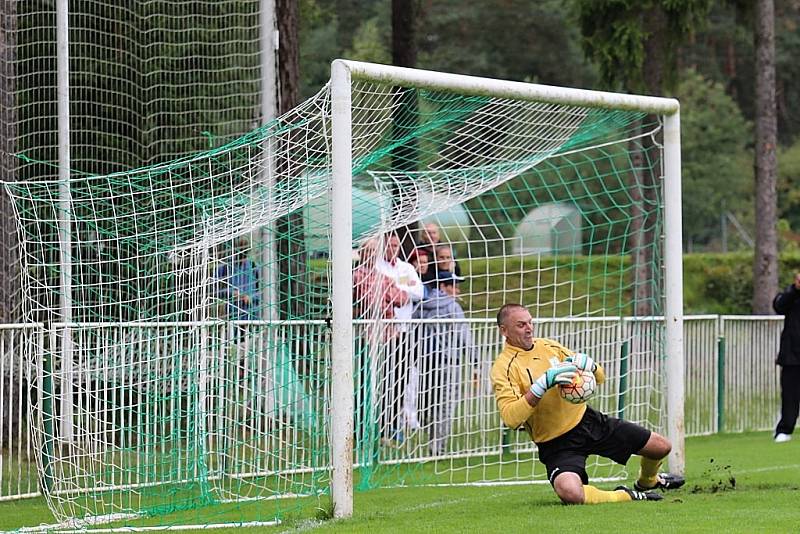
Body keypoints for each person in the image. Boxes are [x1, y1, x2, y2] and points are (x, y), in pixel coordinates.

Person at [490, 303, 685, 504]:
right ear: (504, 330)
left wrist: (591, 366)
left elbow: (599, 377)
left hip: (588, 421)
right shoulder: (503, 367)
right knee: (570, 493)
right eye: (521, 325)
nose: (529, 328)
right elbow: (511, 418)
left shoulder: (549, 346)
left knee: (661, 447)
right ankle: (627, 495)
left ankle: (648, 482)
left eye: (530, 322)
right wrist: (542, 385)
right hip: (556, 443)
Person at [413, 270, 474, 456]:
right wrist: (475, 361)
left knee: (425, 404)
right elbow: (464, 335)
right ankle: (437, 447)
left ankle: (433, 440)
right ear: (442, 286)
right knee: (445, 406)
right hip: (448, 362)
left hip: (423, 362)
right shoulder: (453, 307)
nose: (457, 290)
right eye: (453, 286)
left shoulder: (418, 306)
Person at [375, 232, 425, 444]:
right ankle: (374, 422)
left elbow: (419, 292)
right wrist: (397, 288)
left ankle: (393, 423)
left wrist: (395, 286)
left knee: (399, 379)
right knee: (379, 378)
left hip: (403, 331)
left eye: (396, 245)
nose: (393, 249)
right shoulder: (376, 265)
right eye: (390, 245)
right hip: (378, 333)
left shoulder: (405, 268)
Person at [773, 271, 800, 443]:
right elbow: (778, 305)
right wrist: (795, 290)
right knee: (790, 395)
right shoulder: (791, 295)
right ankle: (784, 429)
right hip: (792, 356)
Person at [216, 236, 260, 323]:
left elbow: (263, 292)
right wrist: (231, 293)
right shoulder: (225, 268)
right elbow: (213, 290)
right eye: (240, 253)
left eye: (245, 253)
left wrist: (251, 297)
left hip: (251, 316)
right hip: (232, 316)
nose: (242, 258)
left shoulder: (254, 267)